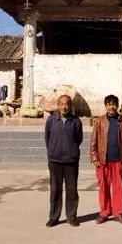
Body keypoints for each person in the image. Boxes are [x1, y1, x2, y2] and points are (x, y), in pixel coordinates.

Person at [90, 94, 122, 224]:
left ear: (117, 105)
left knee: (119, 188)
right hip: (103, 161)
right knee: (103, 187)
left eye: (114, 104)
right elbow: (94, 140)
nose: (112, 107)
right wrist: (95, 157)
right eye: (109, 104)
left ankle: (119, 213)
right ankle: (104, 212)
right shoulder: (99, 121)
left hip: (119, 160)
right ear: (106, 106)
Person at [44, 94, 83, 228]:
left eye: (67, 104)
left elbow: (78, 139)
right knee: (55, 190)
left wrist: (70, 150)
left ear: (70, 106)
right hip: (55, 161)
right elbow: (47, 138)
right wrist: (52, 151)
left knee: (72, 190)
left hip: (71, 161)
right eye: (62, 104)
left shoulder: (76, 121)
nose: (64, 107)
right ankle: (54, 217)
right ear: (58, 105)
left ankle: (71, 217)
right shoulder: (51, 120)